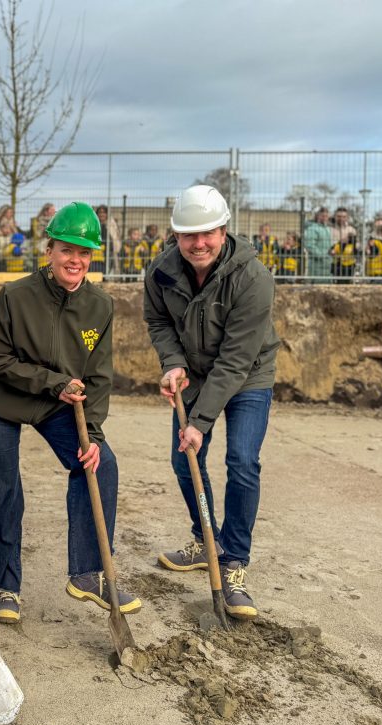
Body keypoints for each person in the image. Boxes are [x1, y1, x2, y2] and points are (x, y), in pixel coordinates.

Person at [0, 202, 142, 625]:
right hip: (5, 400)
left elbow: (99, 376)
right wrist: (53, 381)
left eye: (84, 253)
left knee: (99, 464)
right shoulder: (15, 296)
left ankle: (87, 573)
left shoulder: (100, 305)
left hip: (61, 406)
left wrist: (92, 434)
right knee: (1, 487)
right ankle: (3, 585)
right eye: (67, 250)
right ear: (48, 249)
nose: (76, 260)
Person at [143, 185, 280, 620]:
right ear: (176, 235)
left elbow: (236, 360)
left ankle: (234, 560)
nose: (198, 243)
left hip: (248, 373)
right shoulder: (160, 272)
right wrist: (173, 362)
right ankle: (207, 543)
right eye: (188, 235)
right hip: (195, 373)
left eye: (208, 233)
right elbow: (158, 319)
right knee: (184, 460)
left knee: (241, 461)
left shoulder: (253, 277)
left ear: (224, 230)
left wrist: (198, 421)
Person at [302, 206, 332, 283]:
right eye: (322, 215)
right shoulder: (312, 228)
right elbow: (309, 245)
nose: (325, 217)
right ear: (317, 216)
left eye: (326, 215)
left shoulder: (327, 228)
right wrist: (323, 256)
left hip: (327, 264)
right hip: (316, 265)